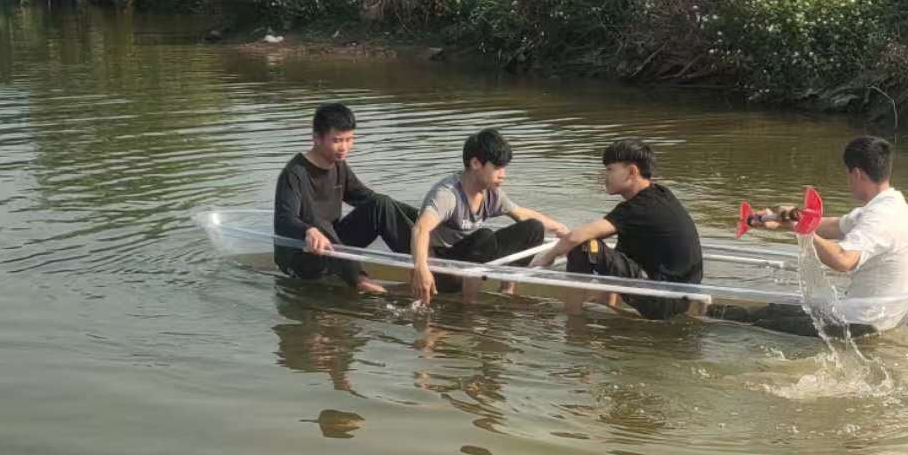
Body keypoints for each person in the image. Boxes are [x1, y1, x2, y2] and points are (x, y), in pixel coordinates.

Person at [752, 134, 908, 333]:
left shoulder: (881, 217)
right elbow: (833, 226)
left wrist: (803, 232)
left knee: (757, 325)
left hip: (862, 325)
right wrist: (780, 219)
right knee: (773, 310)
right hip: (873, 317)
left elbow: (843, 260)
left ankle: (707, 312)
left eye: (848, 174)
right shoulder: (891, 204)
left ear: (857, 174)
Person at [533, 138, 703, 320]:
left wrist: (545, 260)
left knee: (583, 246)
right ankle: (606, 303)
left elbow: (575, 237)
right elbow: (622, 255)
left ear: (631, 172)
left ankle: (572, 316)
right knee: (615, 243)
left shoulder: (638, 208)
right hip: (680, 296)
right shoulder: (659, 194)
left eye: (610, 170)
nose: (604, 176)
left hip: (664, 299)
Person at [409, 126, 570, 305]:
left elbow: (522, 214)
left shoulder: (492, 192)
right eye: (498, 168)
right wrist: (421, 269)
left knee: (534, 228)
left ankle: (507, 289)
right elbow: (420, 228)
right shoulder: (448, 194)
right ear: (476, 163)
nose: (503, 175)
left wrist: (562, 230)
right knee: (484, 236)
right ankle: (469, 305)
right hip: (445, 268)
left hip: (475, 256)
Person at [274, 101, 416, 293]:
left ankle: (424, 263)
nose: (344, 147)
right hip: (302, 256)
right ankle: (361, 280)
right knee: (319, 224)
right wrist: (308, 230)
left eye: (349, 139)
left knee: (381, 203)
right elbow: (284, 221)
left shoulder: (339, 166)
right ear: (317, 138)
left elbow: (370, 200)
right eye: (337, 140)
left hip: (333, 247)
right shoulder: (294, 173)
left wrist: (426, 218)